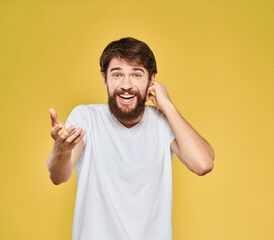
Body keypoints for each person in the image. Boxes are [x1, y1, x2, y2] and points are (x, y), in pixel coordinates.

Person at [47, 37, 214, 240]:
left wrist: (168, 106)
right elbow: (59, 176)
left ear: (151, 80)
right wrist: (61, 150)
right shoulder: (86, 117)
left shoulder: (164, 121)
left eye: (136, 74)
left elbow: (203, 163)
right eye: (117, 74)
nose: (126, 85)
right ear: (104, 79)